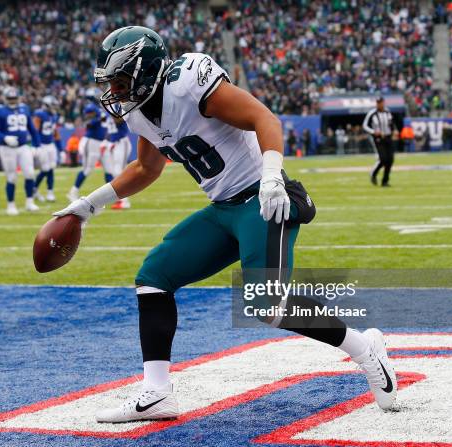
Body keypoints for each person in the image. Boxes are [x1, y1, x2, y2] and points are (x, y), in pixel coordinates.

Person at [55, 26, 397, 422]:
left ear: (146, 71)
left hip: (264, 199)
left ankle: (363, 348)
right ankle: (157, 392)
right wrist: (87, 206)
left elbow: (263, 118)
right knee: (153, 277)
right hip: (223, 207)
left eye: (119, 80)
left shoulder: (188, 82)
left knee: (266, 302)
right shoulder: (139, 114)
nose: (114, 90)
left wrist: (272, 176)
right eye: (109, 82)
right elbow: (146, 168)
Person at [0, 87, 40, 215]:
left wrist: (36, 145)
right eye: (10, 99)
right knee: (12, 177)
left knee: (29, 173)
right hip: (7, 148)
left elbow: (32, 129)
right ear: (5, 99)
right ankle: (11, 205)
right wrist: (5, 138)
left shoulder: (24, 108)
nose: (12, 101)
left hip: (23, 146)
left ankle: (29, 202)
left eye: (14, 99)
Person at [67, 102, 112, 201]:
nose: (88, 115)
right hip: (91, 143)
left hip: (102, 143)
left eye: (89, 113)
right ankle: (73, 192)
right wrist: (98, 118)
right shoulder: (97, 114)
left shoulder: (105, 113)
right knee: (87, 169)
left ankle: (111, 195)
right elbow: (89, 124)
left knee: (109, 170)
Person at [33, 95, 62, 203]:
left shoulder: (53, 116)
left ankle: (50, 192)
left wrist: (61, 149)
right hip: (42, 145)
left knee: (51, 168)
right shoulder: (39, 114)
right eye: (52, 106)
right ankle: (34, 188)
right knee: (45, 169)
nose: (54, 108)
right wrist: (36, 146)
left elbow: (55, 132)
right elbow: (34, 131)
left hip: (50, 144)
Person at [363, 96, 396, 186]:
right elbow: (365, 126)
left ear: (383, 102)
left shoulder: (388, 112)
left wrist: (394, 131)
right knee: (383, 159)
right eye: (378, 102)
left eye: (380, 102)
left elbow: (391, 123)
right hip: (378, 139)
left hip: (388, 137)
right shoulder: (372, 113)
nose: (379, 104)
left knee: (390, 160)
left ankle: (385, 181)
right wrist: (374, 132)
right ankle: (373, 174)